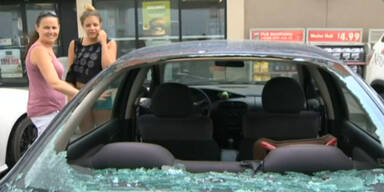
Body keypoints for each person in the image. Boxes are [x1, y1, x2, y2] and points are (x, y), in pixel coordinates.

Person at [25, 11, 79, 138]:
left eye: (54, 27)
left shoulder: (48, 48)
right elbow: (54, 82)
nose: (51, 31)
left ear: (59, 28)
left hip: (54, 110)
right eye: (46, 27)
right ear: (37, 28)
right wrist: (82, 94)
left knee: (55, 152)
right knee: (49, 155)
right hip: (45, 112)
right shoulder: (39, 50)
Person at [67, 5, 117, 132]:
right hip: (80, 94)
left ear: (101, 25)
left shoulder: (110, 43)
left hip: (101, 93)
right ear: (82, 26)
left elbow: (109, 67)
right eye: (88, 25)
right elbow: (70, 74)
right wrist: (70, 99)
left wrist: (103, 43)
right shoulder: (75, 44)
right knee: (85, 135)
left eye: (95, 25)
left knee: (102, 134)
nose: (92, 28)